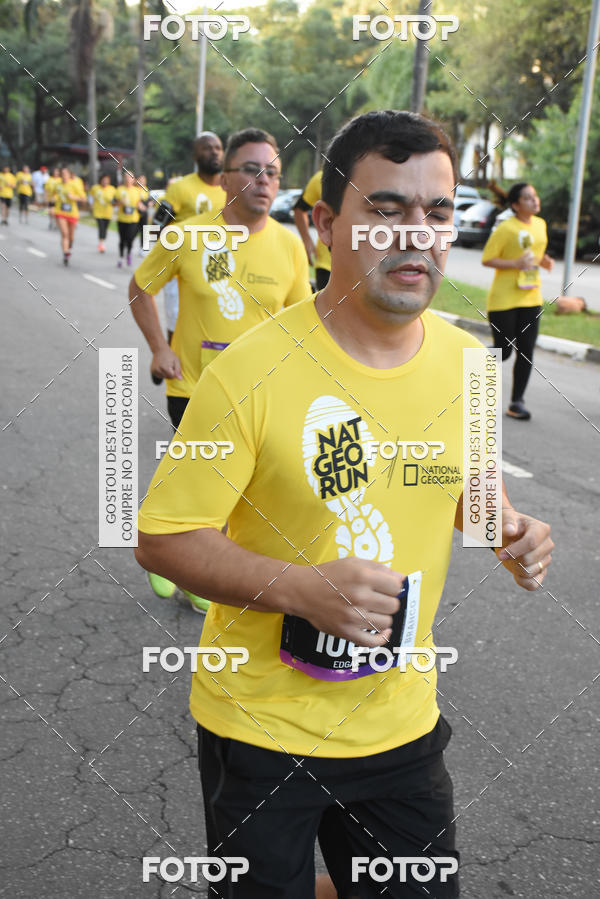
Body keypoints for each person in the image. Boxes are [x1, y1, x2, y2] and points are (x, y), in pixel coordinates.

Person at [134, 111, 553, 898]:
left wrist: (511, 529)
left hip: (400, 727)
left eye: (436, 212)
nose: (417, 235)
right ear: (326, 225)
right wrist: (301, 588)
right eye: (387, 210)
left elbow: (472, 495)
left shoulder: (470, 363)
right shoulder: (247, 371)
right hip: (261, 729)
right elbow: (162, 539)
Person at [130, 127, 310, 611]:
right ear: (226, 180)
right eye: (252, 169)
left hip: (261, 391)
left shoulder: (290, 247)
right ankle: (183, 563)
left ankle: (179, 552)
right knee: (208, 481)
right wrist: (157, 347)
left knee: (237, 487)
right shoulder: (187, 235)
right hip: (195, 384)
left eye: (272, 171)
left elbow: (302, 323)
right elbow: (141, 287)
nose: (264, 180)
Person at [482, 182, 554, 421]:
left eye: (535, 196)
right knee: (503, 351)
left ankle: (516, 402)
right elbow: (488, 259)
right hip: (504, 298)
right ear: (515, 205)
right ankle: (471, 365)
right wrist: (514, 264)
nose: (535, 200)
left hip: (531, 295)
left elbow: (535, 249)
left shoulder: (541, 225)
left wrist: (544, 261)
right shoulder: (505, 228)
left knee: (526, 350)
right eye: (528, 198)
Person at [155, 132, 226, 344]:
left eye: (218, 147)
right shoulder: (180, 188)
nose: (214, 152)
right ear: (195, 155)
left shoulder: (230, 190)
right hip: (181, 266)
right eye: (207, 147)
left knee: (215, 321)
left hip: (218, 264)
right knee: (176, 319)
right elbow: (158, 224)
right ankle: (167, 355)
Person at [294, 169, 331, 289]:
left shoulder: (367, 176)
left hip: (361, 265)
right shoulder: (322, 178)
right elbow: (299, 209)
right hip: (326, 265)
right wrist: (307, 241)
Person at [53, 166, 86, 265]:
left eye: (65, 174)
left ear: (69, 175)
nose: (64, 176)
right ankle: (65, 252)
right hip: (60, 212)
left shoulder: (74, 185)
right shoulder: (57, 185)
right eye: (62, 174)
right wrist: (52, 199)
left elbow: (84, 199)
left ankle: (69, 248)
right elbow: (52, 194)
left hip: (72, 213)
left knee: (71, 237)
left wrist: (74, 197)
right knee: (64, 233)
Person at [114, 170, 143, 267]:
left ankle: (129, 253)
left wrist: (142, 207)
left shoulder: (136, 191)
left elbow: (139, 203)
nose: (128, 179)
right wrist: (120, 202)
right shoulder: (119, 189)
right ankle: (121, 257)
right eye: (126, 177)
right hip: (122, 218)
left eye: (130, 177)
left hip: (133, 219)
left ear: (133, 179)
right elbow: (114, 203)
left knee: (130, 238)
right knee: (122, 239)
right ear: (124, 178)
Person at [89, 173, 115, 252]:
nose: (105, 182)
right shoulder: (95, 188)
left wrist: (114, 203)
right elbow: (90, 197)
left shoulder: (112, 189)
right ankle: (101, 243)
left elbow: (115, 199)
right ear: (100, 180)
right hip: (98, 212)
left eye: (107, 180)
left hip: (108, 212)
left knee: (105, 229)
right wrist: (91, 204)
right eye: (104, 180)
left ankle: (102, 241)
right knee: (101, 227)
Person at [135, 174, 153, 255]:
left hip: (144, 213)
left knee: (144, 230)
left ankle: (143, 248)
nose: (142, 181)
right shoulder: (134, 189)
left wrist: (150, 203)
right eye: (140, 180)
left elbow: (149, 200)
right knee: (134, 230)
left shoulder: (146, 189)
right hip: (135, 213)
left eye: (143, 180)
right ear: (137, 180)